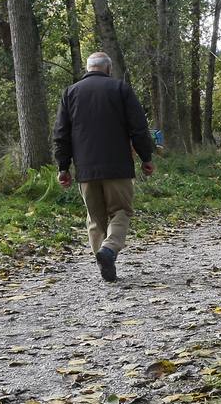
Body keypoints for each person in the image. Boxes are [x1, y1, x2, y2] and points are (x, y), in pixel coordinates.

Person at [53, 52, 157, 283]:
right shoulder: (120, 89)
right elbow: (138, 127)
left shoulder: (70, 93)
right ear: (108, 69)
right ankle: (109, 250)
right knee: (121, 211)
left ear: (88, 68)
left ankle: (103, 262)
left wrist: (63, 166)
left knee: (95, 219)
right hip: (118, 167)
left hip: (86, 170)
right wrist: (146, 158)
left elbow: (61, 134)